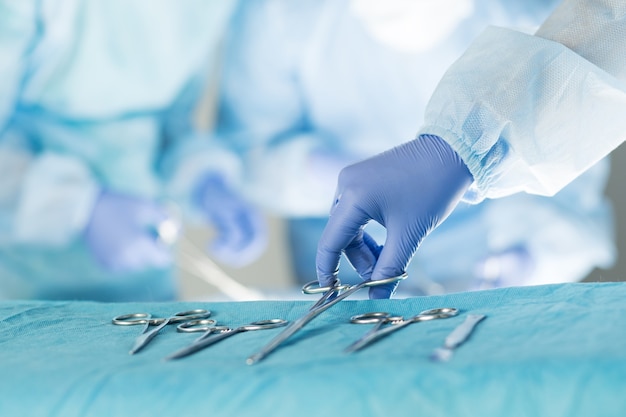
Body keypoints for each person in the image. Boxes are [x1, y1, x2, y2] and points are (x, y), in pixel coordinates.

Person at [213, 0, 615, 297]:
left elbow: (589, 69)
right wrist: (322, 171)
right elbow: (247, 148)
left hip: (476, 263)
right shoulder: (284, 16)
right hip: (345, 274)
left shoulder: (526, 15)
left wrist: (531, 252)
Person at [0, 1, 266, 301]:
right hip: (24, 283)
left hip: (148, 283)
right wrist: (79, 206)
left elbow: (173, 120)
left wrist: (206, 182)